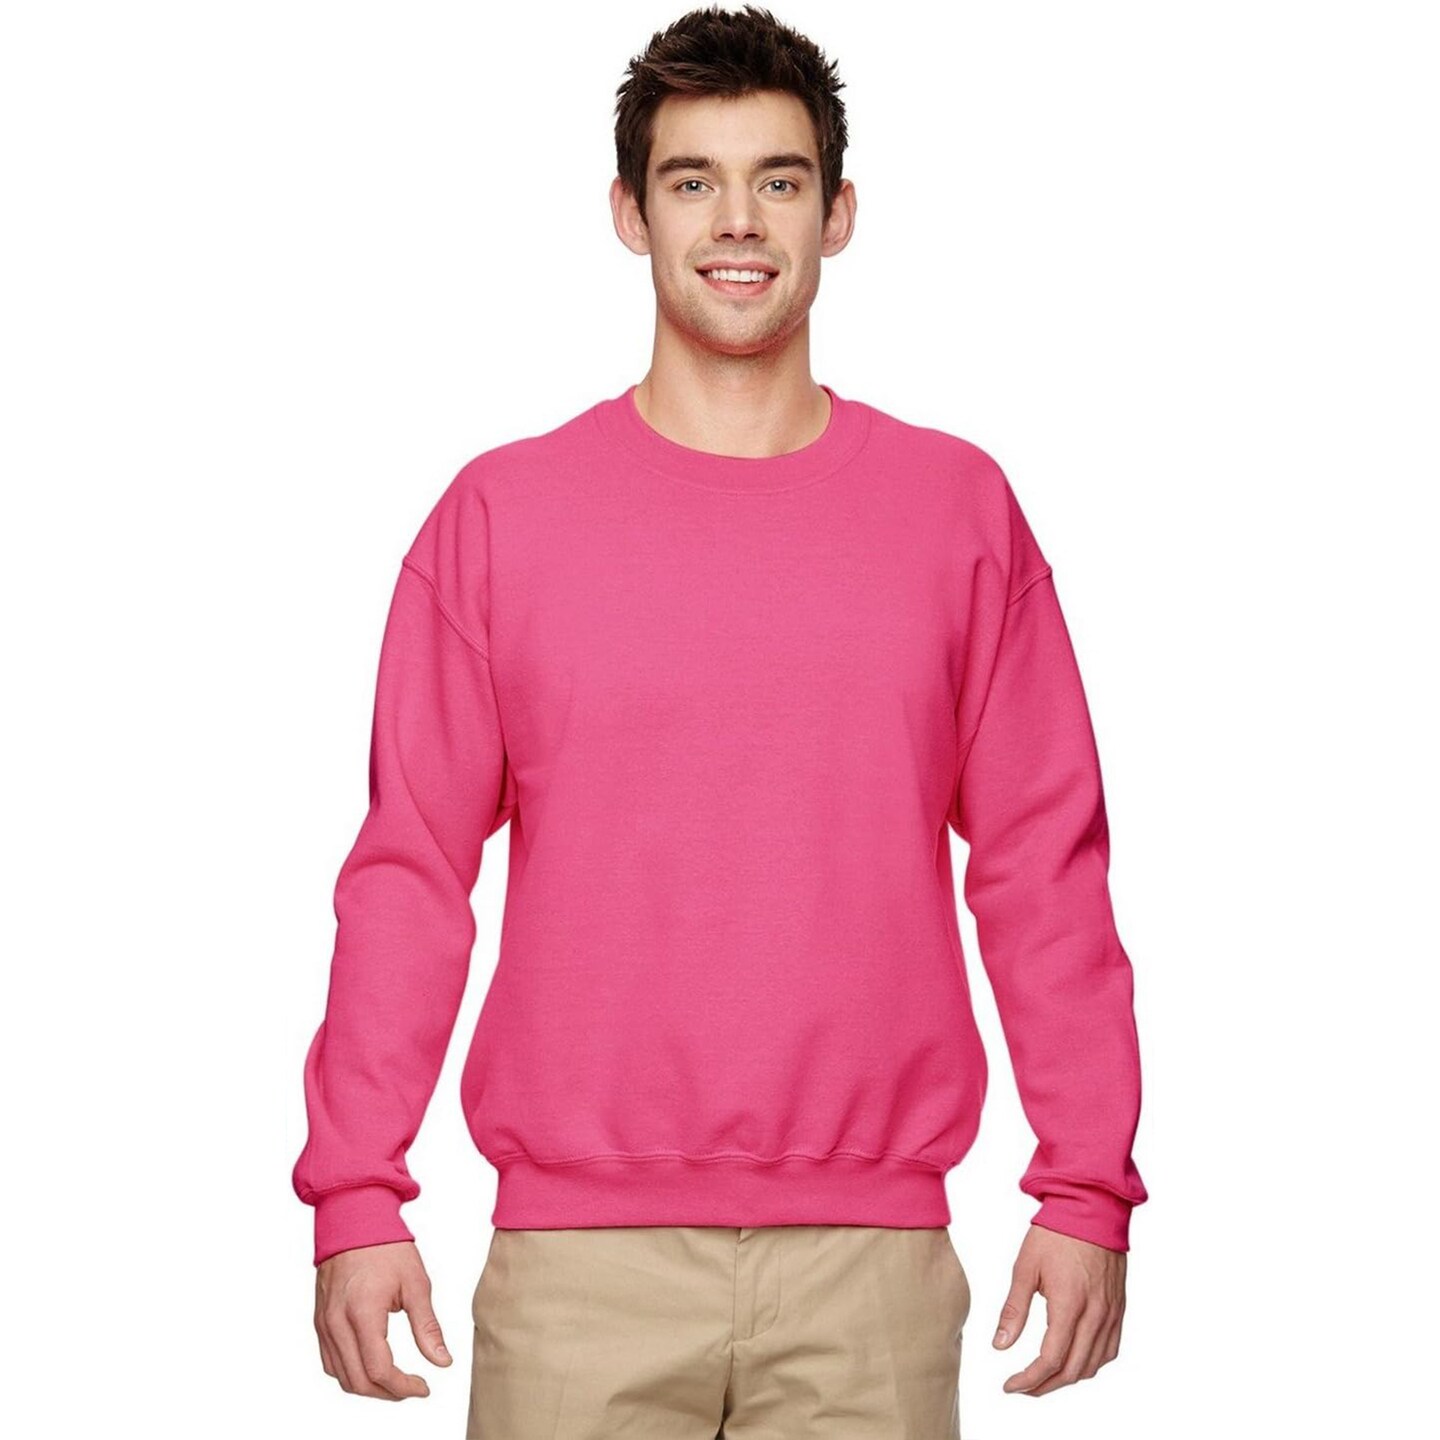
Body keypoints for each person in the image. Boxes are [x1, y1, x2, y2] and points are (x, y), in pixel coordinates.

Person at [291, 5, 1148, 1435]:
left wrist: (1085, 1183)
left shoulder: (956, 513)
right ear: (630, 214)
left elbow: (1043, 866)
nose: (737, 221)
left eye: (779, 180)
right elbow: (409, 872)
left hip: (873, 1266)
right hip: (575, 1267)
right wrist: (355, 1190)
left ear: (839, 213)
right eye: (693, 180)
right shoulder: (502, 517)